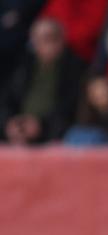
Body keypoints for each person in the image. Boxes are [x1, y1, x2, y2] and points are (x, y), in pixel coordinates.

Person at [1, 17, 84, 145]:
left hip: (55, 135)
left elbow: (70, 108)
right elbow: (6, 97)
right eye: (36, 39)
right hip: (18, 128)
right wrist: (8, 123)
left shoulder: (76, 68)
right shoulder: (23, 64)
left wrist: (41, 126)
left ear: (61, 40)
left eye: (47, 39)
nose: (40, 44)